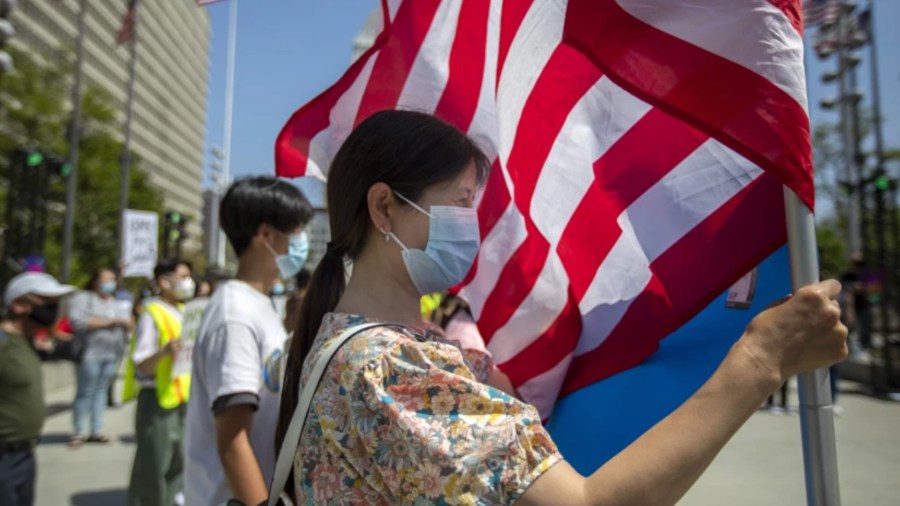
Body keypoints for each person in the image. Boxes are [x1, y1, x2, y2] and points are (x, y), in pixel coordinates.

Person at [275, 110, 848, 505]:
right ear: (384, 209)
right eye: (461, 201)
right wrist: (760, 359)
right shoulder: (388, 368)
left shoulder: (360, 347)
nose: (472, 222)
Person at [184, 176, 313, 506]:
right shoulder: (235, 314)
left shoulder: (259, 303)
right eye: (297, 231)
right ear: (267, 235)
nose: (303, 241)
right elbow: (233, 441)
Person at [1, 272, 76, 505]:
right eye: (47, 303)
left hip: (24, 454)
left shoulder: (26, 340)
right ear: (19, 305)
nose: (54, 310)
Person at [125, 259, 194, 506]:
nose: (189, 282)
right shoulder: (151, 313)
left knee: (176, 464)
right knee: (153, 467)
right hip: (156, 400)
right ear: (164, 282)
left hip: (180, 398)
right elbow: (141, 364)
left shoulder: (186, 311)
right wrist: (164, 352)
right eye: (183, 276)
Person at [68, 267, 134, 448]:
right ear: (96, 281)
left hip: (111, 353)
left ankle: (96, 430)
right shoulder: (84, 299)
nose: (109, 283)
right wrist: (110, 322)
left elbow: (127, 323)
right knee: (86, 391)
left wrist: (127, 324)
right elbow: (78, 322)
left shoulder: (116, 302)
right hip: (89, 353)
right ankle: (78, 432)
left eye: (112, 279)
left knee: (101, 391)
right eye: (105, 279)